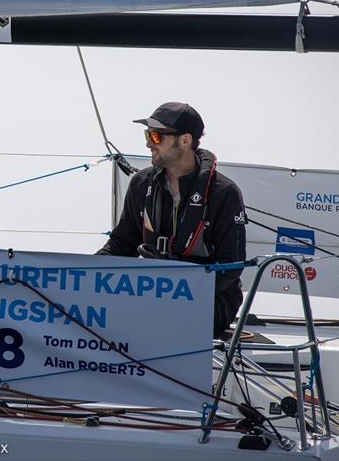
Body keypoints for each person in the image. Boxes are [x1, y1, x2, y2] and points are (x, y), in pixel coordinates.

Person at [96, 102, 246, 338]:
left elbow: (232, 266)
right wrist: (83, 276)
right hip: (153, 293)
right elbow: (121, 245)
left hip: (212, 300)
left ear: (185, 140)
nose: (148, 143)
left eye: (156, 136)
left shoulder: (224, 192)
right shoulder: (141, 184)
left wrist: (177, 288)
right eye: (147, 135)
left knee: (148, 317)